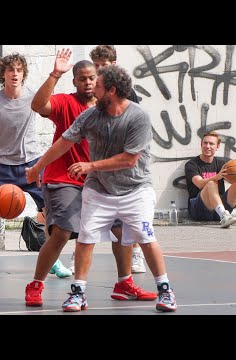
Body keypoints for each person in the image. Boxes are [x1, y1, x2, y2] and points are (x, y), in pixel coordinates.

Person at [26, 64, 176, 313]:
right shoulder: (90, 115)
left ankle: (165, 290)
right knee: (84, 239)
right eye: (87, 81)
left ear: (112, 90)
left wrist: (90, 165)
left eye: (97, 84)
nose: (92, 87)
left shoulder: (138, 117)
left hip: (134, 190)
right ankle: (77, 293)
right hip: (98, 189)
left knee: (145, 238)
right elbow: (63, 142)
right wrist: (37, 168)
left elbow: (129, 159)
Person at [0, 52, 71, 280]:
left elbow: (54, 109)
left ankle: (54, 261)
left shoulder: (33, 97)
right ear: (4, 74)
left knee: (49, 213)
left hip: (31, 164)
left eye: (19, 70)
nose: (15, 74)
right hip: (2, 166)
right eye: (11, 70)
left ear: (23, 74)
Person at [83, 44, 146, 274]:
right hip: (101, 160)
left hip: (124, 160)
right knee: (91, 216)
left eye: (104, 65)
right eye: (96, 65)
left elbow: (132, 125)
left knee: (130, 217)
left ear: (114, 65)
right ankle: (79, 255)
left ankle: (136, 252)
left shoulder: (125, 93)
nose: (99, 69)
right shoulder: (94, 89)